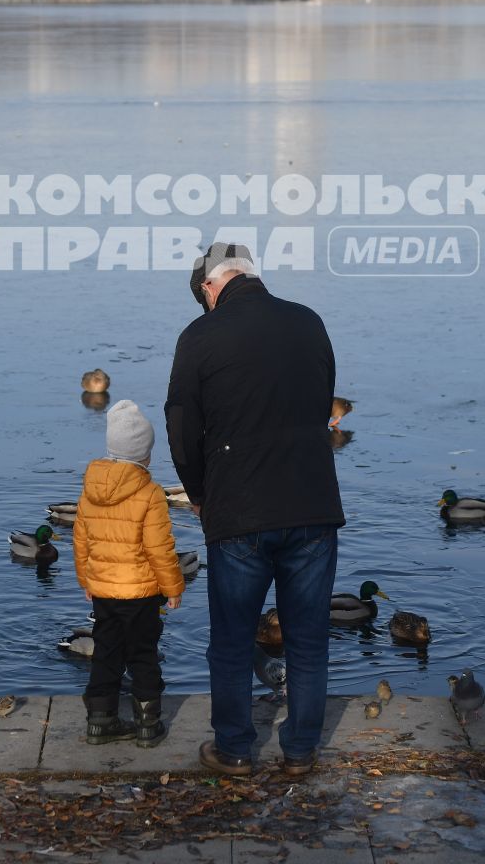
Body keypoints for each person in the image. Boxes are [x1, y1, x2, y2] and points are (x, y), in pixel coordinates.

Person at [167, 243, 343, 776]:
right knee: (308, 638)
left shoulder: (199, 336)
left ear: (209, 287)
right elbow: (321, 404)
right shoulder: (309, 322)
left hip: (238, 510)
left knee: (232, 639)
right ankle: (300, 751)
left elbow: (181, 427)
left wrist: (199, 493)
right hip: (312, 503)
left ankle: (236, 750)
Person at [73, 398, 187, 746]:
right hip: (140, 594)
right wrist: (173, 587)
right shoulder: (150, 492)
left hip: (105, 593)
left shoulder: (90, 487)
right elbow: (158, 547)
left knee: (106, 651)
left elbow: (81, 539)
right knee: (143, 653)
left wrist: (86, 581)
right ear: (145, 455)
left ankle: (100, 721)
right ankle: (148, 724)